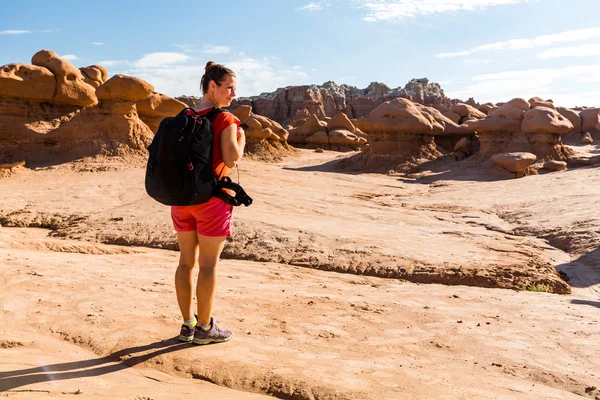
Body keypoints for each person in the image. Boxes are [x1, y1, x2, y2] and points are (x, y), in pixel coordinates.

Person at [172, 61, 246, 345]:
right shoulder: (225, 119)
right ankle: (204, 328)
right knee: (208, 266)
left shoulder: (184, 115)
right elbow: (231, 159)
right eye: (229, 88)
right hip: (212, 202)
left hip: (180, 200)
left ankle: (187, 325)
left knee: (185, 263)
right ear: (212, 86)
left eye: (234, 89)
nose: (233, 94)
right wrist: (242, 138)